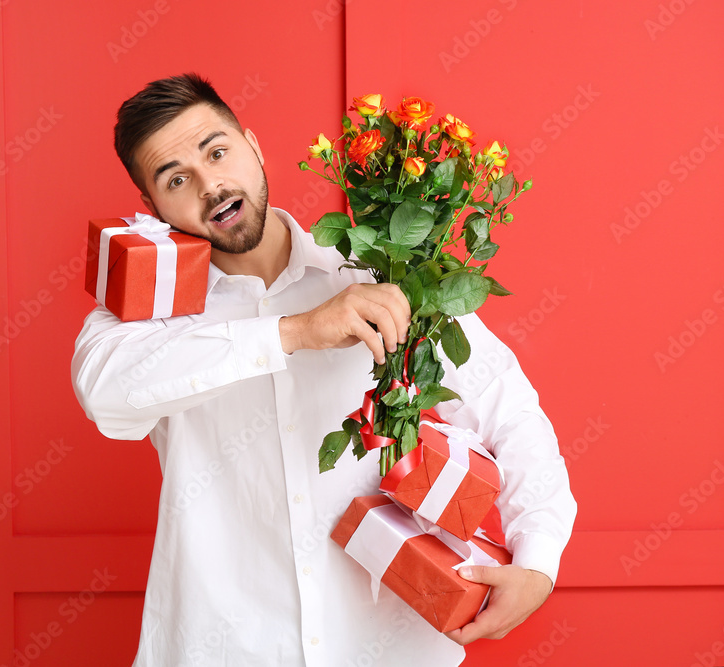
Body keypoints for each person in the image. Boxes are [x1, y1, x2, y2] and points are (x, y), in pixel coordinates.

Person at [71, 72, 576, 666]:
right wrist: (294, 332)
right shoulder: (150, 314)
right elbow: (104, 393)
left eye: (217, 151)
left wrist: (538, 559)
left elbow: (508, 409)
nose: (210, 185)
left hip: (385, 649)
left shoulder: (376, 272)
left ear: (253, 147)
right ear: (152, 208)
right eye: (177, 178)